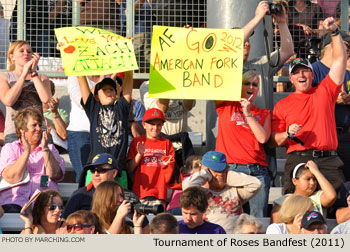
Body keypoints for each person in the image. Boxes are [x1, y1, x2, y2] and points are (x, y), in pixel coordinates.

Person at [269, 17, 347, 194]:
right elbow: (273, 141)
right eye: (296, 73)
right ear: (291, 79)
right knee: (293, 207)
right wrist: (287, 133)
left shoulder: (325, 90)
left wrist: (334, 31)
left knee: (337, 205)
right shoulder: (282, 105)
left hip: (328, 160)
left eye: (305, 71)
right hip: (298, 159)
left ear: (312, 75)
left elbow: (341, 59)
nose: (301, 75)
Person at [215, 70, 271, 217]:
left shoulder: (264, 112)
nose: (251, 87)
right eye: (247, 83)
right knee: (228, 217)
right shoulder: (226, 105)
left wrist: (247, 113)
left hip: (257, 172)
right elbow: (216, 86)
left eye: (255, 84)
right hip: (231, 170)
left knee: (257, 220)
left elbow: (263, 138)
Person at [0, 108, 64, 213]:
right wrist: (26, 152)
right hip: (15, 201)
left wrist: (45, 149)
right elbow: (12, 177)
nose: (39, 129)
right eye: (34, 125)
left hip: (44, 202)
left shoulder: (50, 148)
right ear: (22, 129)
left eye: (40, 125)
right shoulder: (10, 148)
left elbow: (55, 175)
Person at [182, 151, 261, 233]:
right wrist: (206, 174)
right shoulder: (200, 192)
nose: (219, 174)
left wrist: (228, 175)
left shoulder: (235, 191)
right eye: (215, 170)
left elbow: (256, 184)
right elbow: (187, 185)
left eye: (222, 170)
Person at [77, 71, 133, 180]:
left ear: (116, 94)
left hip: (118, 170)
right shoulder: (93, 109)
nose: (108, 92)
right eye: (104, 90)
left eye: (111, 89)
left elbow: (129, 77)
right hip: (96, 169)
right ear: (96, 96)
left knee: (119, 197)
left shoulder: (122, 108)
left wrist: (129, 69)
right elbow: (81, 79)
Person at [311, 31, 350, 182]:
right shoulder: (313, 70)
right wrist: (333, 100)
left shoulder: (346, 72)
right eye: (345, 45)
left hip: (345, 136)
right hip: (322, 138)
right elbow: (307, 101)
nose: (347, 50)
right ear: (332, 45)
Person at [0, 40, 51, 144]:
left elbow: (46, 100)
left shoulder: (42, 77)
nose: (26, 54)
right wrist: (23, 75)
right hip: (14, 132)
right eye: (21, 51)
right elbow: (8, 101)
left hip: (39, 131)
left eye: (29, 51)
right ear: (12, 56)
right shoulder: (4, 77)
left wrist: (33, 73)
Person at [140, 81, 195, 168]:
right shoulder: (147, 86)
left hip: (181, 145)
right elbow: (161, 110)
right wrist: (167, 83)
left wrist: (186, 85)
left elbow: (188, 106)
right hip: (160, 146)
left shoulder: (183, 83)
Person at [127, 108, 175, 207]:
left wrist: (168, 165)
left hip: (160, 193)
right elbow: (129, 168)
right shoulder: (137, 142)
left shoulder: (166, 143)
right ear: (144, 125)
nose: (155, 127)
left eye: (159, 124)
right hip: (140, 193)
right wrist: (139, 154)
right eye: (152, 124)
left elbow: (171, 171)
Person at [271, 160, 336, 221]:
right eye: (308, 179)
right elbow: (275, 226)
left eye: (314, 179)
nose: (312, 183)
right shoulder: (283, 201)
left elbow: (331, 196)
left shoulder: (318, 197)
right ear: (294, 181)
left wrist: (316, 172)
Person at [61, 153, 120, 218]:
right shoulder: (80, 195)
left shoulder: (124, 195)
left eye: (101, 170)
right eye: (93, 170)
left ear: (114, 173)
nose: (96, 174)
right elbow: (64, 221)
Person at [66, 75, 97, 182]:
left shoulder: (108, 77)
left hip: (102, 135)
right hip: (80, 134)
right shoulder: (75, 77)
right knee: (83, 178)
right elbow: (83, 102)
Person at [43, 80, 69, 153]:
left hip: (54, 148)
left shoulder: (61, 112)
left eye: (45, 91)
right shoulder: (29, 111)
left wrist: (54, 113)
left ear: (51, 94)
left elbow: (64, 135)